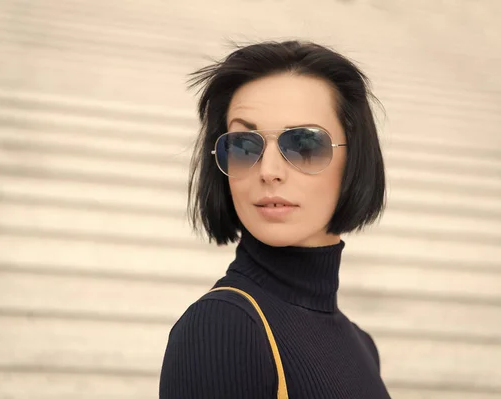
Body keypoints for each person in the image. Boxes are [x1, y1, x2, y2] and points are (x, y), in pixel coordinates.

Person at [159, 40, 391, 399]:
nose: (268, 171)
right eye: (243, 145)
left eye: (304, 144)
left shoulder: (362, 344)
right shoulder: (225, 326)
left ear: (355, 157)